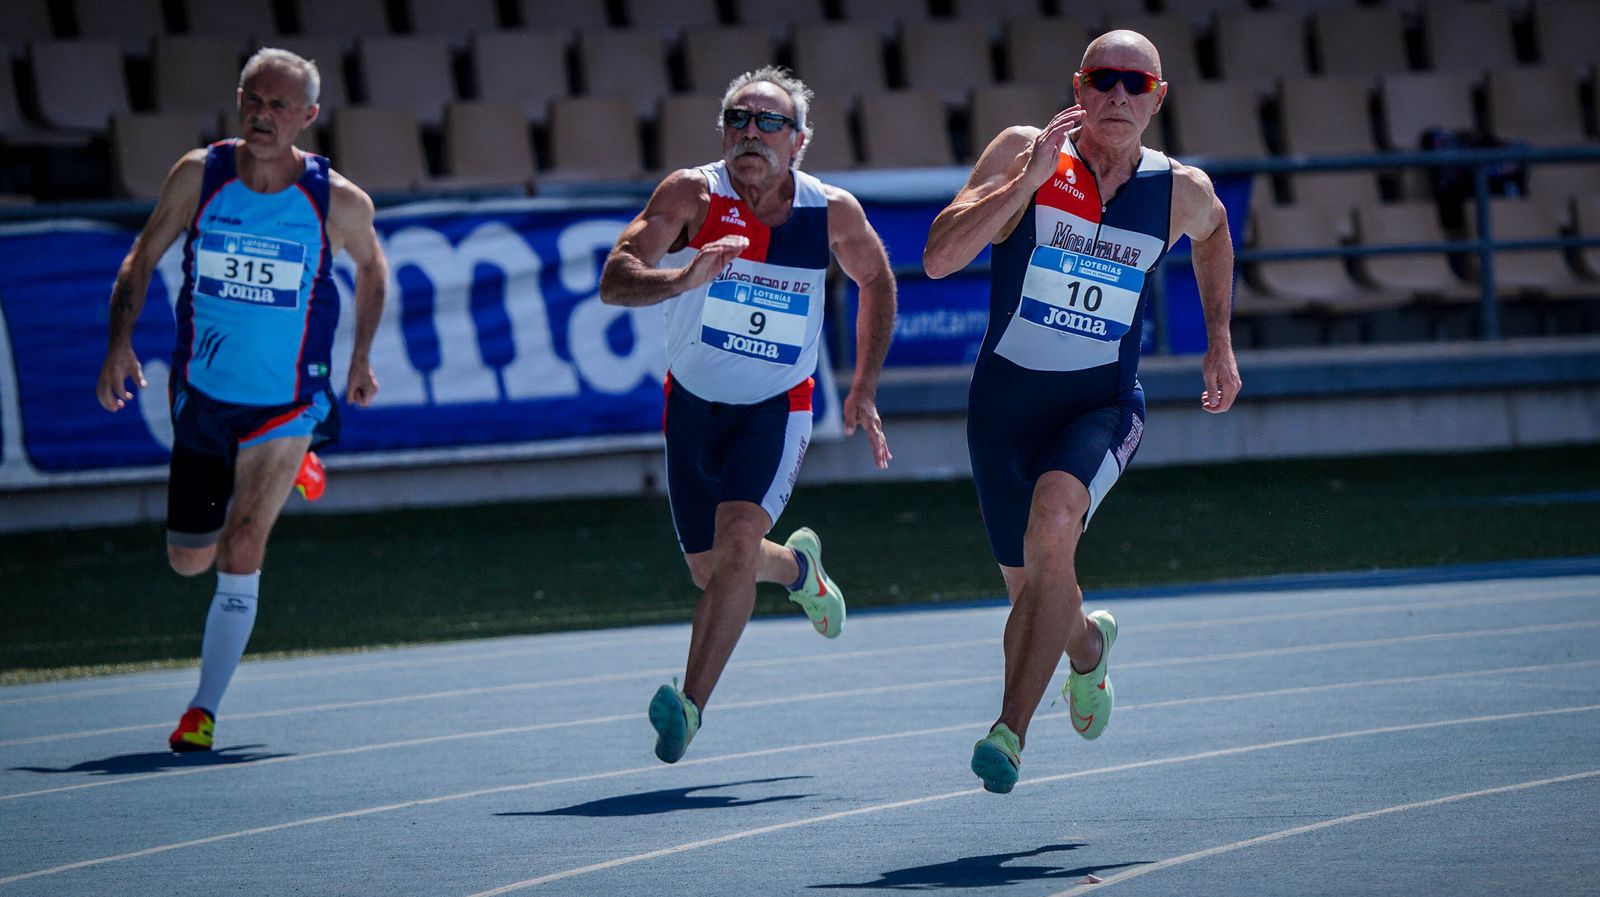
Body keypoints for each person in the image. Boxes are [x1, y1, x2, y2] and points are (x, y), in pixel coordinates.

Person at [923, 31, 1241, 794]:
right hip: (1004, 409)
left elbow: (1215, 232)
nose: (1118, 96)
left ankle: (1008, 732)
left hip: (1100, 405)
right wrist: (1023, 184)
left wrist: (1219, 339)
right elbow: (938, 257)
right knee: (1035, 586)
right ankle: (1090, 648)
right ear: (1078, 87)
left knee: (1055, 527)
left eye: (1137, 84)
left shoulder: (1178, 190)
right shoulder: (1022, 151)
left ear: (1158, 100)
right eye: (1104, 80)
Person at [599, 66, 896, 764]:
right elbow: (616, 277)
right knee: (712, 570)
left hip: (776, 405)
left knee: (735, 546)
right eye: (738, 119)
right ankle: (798, 569)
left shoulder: (831, 212)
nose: (751, 133)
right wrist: (684, 276)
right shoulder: (693, 195)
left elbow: (877, 279)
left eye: (769, 122)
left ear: (798, 141)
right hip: (693, 404)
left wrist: (864, 385)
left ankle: (689, 707)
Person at [95, 48, 387, 752]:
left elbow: (373, 269)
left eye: (279, 105)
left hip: (288, 401)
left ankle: (202, 709)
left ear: (308, 116)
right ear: (238, 101)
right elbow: (142, 256)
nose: (263, 114)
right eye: (253, 100)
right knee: (188, 559)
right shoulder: (200, 176)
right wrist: (119, 343)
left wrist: (360, 357)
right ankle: (294, 467)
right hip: (204, 393)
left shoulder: (337, 200)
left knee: (244, 541)